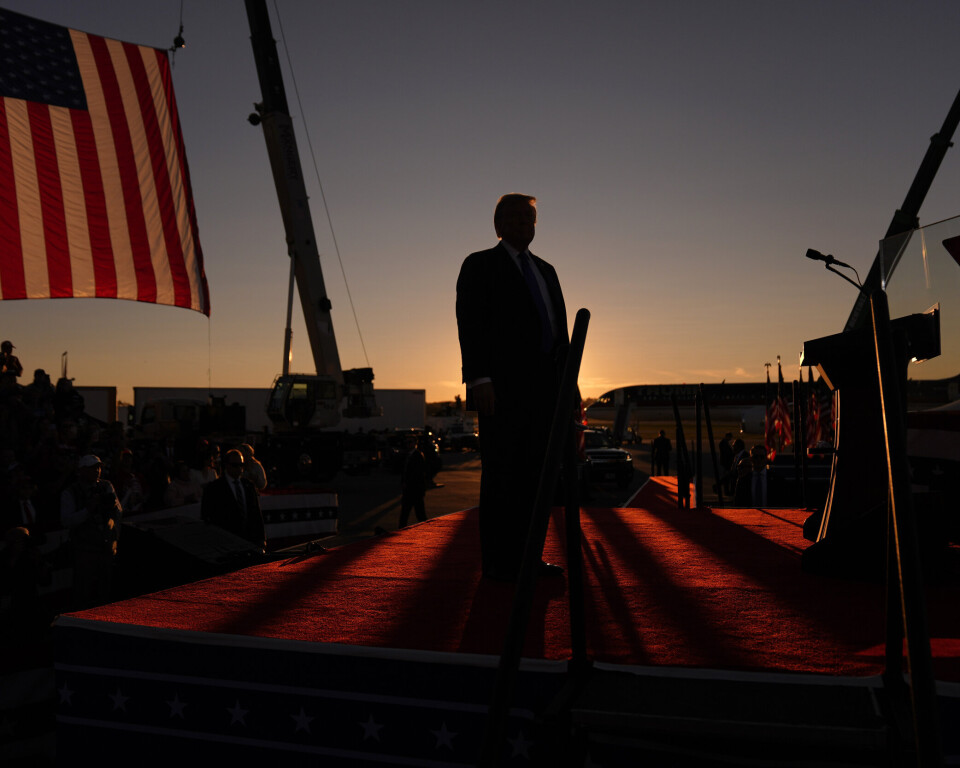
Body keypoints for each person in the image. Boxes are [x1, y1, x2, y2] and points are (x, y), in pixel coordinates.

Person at [456, 193, 568, 582]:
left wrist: (567, 391)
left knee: (537, 480)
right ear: (498, 225)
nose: (525, 223)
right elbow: (470, 323)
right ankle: (501, 566)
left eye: (530, 217)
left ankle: (529, 561)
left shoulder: (547, 271)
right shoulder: (480, 265)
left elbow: (560, 335)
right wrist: (479, 378)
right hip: (501, 390)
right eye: (516, 216)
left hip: (546, 390)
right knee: (504, 476)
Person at [60, 454, 122, 609]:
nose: (97, 471)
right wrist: (88, 510)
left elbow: (118, 511)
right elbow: (66, 520)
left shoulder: (107, 486)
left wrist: (114, 535)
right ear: (82, 471)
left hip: (105, 546)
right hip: (84, 549)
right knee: (83, 589)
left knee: (105, 588)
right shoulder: (70, 492)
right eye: (93, 468)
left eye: (99, 467)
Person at [201, 449, 265, 550]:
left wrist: (261, 538)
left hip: (249, 539)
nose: (239, 468)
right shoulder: (214, 488)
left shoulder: (248, 486)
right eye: (235, 465)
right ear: (227, 465)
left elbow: (256, 513)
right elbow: (208, 517)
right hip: (226, 542)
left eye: (241, 465)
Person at [398, 436, 427, 527]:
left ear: (415, 443)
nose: (408, 444)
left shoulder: (417, 456)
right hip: (410, 490)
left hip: (415, 489)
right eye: (406, 442)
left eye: (410, 442)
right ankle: (401, 529)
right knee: (406, 513)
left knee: (418, 513)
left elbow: (417, 473)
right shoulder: (408, 455)